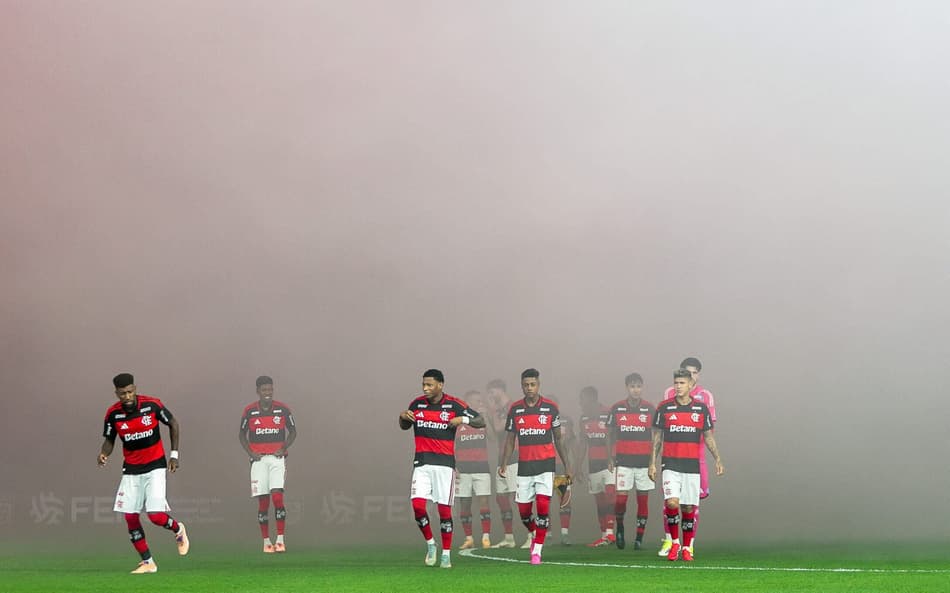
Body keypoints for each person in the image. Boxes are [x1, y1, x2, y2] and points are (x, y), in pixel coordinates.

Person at [97, 373, 189, 574]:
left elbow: (173, 423)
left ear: (135, 388)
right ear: (117, 394)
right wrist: (104, 453)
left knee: (155, 516)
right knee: (130, 517)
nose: (127, 397)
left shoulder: (152, 405)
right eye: (123, 394)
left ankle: (178, 529)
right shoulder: (113, 414)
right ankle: (148, 562)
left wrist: (174, 455)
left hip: (155, 466)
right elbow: (110, 439)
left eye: (130, 392)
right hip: (131, 470)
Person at [399, 369, 485, 568]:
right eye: (423, 385)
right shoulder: (416, 404)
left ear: (440, 385)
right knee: (418, 507)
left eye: (429, 385)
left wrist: (462, 419)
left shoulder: (454, 404)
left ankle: (446, 554)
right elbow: (404, 425)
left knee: (444, 512)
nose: (425, 388)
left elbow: (481, 421)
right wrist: (403, 417)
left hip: (445, 466)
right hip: (422, 463)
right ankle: (431, 544)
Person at [498, 368, 572, 565]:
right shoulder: (515, 409)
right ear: (521, 386)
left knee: (542, 506)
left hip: (546, 465)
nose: (529, 388)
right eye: (526, 385)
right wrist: (503, 462)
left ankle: (537, 550)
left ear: (539, 385)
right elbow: (510, 440)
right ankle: (534, 531)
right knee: (523, 511)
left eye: (533, 384)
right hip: (524, 467)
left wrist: (567, 466)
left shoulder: (550, 408)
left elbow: (559, 439)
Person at [649, 368, 724, 562]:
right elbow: (657, 437)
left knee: (688, 507)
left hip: (691, 465)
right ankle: (674, 543)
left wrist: (717, 459)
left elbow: (708, 436)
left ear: (691, 385)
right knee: (671, 502)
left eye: (682, 383)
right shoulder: (664, 407)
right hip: (670, 464)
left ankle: (687, 547)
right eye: (676, 383)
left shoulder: (701, 409)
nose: (678, 386)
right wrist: (652, 464)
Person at [239, 375, 297, 553]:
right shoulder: (249, 411)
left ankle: (280, 540)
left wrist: (284, 447)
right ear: (258, 391)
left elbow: (293, 432)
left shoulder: (283, 410)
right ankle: (266, 542)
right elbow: (241, 435)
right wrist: (251, 453)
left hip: (277, 459)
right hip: (258, 461)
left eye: (270, 389)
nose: (268, 393)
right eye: (264, 390)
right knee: (263, 503)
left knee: (277, 497)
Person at [606, 372, 655, 550]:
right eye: (632, 386)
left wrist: (653, 462)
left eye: (639, 386)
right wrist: (609, 457)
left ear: (642, 387)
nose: (636, 390)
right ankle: (620, 529)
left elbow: (656, 436)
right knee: (621, 500)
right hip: (623, 462)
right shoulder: (617, 408)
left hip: (644, 463)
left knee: (642, 501)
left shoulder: (650, 409)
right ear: (627, 387)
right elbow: (609, 434)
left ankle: (639, 538)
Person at [484, 379, 524, 549]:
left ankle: (532, 534)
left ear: (499, 390)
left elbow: (500, 428)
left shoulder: (512, 407)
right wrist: (487, 416)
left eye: (491, 392)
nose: (490, 396)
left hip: (514, 455)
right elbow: (493, 436)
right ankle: (509, 537)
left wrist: (491, 411)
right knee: (501, 497)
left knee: (520, 497)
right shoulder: (499, 409)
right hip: (502, 457)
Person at [576, 386, 616, 547]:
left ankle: (611, 534)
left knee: (610, 495)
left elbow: (612, 436)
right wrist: (578, 466)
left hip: (609, 462)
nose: (580, 403)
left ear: (592, 399)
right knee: (600, 500)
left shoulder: (607, 413)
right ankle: (603, 535)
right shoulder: (583, 418)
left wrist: (611, 458)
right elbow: (583, 443)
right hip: (593, 464)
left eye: (582, 399)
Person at [454, 390, 493, 550]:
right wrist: (453, 465)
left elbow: (492, 437)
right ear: (467, 403)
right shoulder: (459, 423)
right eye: (476, 401)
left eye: (480, 400)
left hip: (482, 468)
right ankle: (469, 538)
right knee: (464, 504)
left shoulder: (482, 421)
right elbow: (450, 445)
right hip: (462, 469)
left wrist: (486, 419)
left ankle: (486, 537)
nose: (479, 403)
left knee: (484, 501)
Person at [546, 394, 576, 546]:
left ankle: (564, 534)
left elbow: (570, 441)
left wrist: (570, 464)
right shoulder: (541, 420)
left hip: (561, 466)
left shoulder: (566, 420)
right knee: (545, 501)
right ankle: (548, 534)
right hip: (545, 466)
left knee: (564, 500)